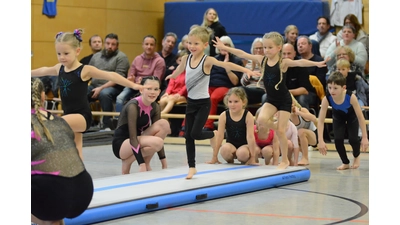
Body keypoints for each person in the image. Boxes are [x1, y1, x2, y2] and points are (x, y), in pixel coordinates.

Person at [213, 31, 328, 170]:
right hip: (271, 99)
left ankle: (284, 159)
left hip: (284, 100)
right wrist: (225, 48)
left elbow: (300, 62)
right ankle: (279, 130)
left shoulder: (283, 63)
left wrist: (317, 63)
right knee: (261, 120)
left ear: (279, 48)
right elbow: (242, 53)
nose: (266, 50)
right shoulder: (262, 60)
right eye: (265, 47)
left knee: (280, 131)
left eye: (269, 47)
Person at [31, 29, 144, 160]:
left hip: (82, 117)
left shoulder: (84, 70)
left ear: (77, 51)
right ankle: (79, 177)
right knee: (76, 150)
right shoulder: (59, 68)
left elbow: (111, 75)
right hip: (69, 115)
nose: (62, 57)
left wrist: (134, 85)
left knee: (54, 123)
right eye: (59, 53)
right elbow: (44, 70)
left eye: (66, 53)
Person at [165, 26, 260, 179]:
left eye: (196, 44)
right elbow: (179, 70)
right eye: (190, 43)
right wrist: (172, 76)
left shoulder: (207, 60)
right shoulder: (185, 58)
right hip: (191, 103)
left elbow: (226, 65)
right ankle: (192, 167)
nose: (192, 46)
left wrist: (246, 71)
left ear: (205, 45)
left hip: (203, 103)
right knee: (188, 136)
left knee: (195, 133)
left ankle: (213, 133)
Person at [31, 78, 93, 225]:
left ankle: (46, 221)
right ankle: (52, 220)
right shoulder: (60, 120)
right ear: (43, 96)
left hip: (52, 197)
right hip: (83, 192)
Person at [112, 76, 170, 174]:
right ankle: (129, 162)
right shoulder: (133, 106)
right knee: (157, 143)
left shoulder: (155, 106)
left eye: (155, 89)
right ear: (141, 89)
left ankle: (146, 163)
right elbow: (133, 137)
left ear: (159, 91)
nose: (152, 92)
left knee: (164, 124)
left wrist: (164, 163)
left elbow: (159, 134)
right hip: (122, 145)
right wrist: (141, 164)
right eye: (149, 88)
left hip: (138, 139)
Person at [317, 72, 369, 170]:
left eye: (335, 88)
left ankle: (356, 156)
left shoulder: (351, 97)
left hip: (351, 117)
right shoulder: (326, 99)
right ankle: (345, 162)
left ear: (343, 88)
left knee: (353, 139)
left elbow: (360, 117)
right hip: (338, 117)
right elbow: (320, 121)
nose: (332, 91)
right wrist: (320, 140)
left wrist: (365, 137)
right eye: (329, 87)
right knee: (338, 140)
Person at [115, 35, 166, 119]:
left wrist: (142, 83)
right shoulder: (137, 59)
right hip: (134, 86)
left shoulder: (159, 61)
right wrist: (131, 80)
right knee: (120, 98)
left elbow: (156, 80)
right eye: (146, 44)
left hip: (149, 88)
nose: (149, 47)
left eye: (151, 44)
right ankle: (119, 121)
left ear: (155, 46)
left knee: (137, 103)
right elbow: (131, 75)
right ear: (143, 45)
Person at [87, 33, 131, 130]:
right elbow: (88, 73)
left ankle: (107, 125)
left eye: (113, 44)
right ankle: (86, 122)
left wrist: (101, 88)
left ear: (117, 45)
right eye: (107, 43)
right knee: (82, 92)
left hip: (114, 87)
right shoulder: (96, 56)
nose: (110, 46)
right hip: (95, 86)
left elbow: (118, 78)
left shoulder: (121, 57)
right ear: (104, 44)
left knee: (104, 94)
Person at [206, 87, 257, 165]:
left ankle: (247, 159)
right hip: (231, 145)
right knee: (224, 149)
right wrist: (214, 157)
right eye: (230, 102)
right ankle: (230, 162)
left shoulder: (247, 115)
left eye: (236, 102)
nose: (232, 105)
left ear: (243, 102)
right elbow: (220, 137)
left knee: (242, 154)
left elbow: (250, 137)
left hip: (244, 145)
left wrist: (253, 158)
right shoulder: (224, 115)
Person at [203, 35, 244, 131]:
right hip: (211, 85)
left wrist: (226, 66)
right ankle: (189, 125)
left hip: (226, 86)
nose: (223, 47)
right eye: (221, 45)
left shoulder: (236, 61)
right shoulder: (213, 59)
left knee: (213, 98)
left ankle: (208, 126)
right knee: (200, 96)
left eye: (226, 45)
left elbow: (235, 82)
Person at [282, 43, 317, 111]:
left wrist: (286, 92)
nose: (286, 56)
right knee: (266, 97)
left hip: (305, 94)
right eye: (284, 54)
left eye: (289, 53)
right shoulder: (277, 67)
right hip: (285, 95)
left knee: (302, 99)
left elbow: (304, 90)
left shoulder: (301, 66)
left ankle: (304, 120)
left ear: (294, 54)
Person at [289, 97, 318, 166]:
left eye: (292, 103)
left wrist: (299, 113)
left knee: (301, 131)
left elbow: (314, 118)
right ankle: (288, 159)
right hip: (298, 140)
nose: (291, 105)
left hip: (312, 137)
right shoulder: (286, 116)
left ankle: (305, 158)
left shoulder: (302, 110)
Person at [240, 37, 266, 105]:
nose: (258, 50)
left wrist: (261, 68)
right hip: (248, 90)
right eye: (256, 48)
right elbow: (243, 83)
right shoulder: (249, 63)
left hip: (261, 90)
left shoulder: (268, 62)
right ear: (253, 50)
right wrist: (250, 73)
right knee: (236, 92)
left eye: (260, 48)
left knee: (240, 91)